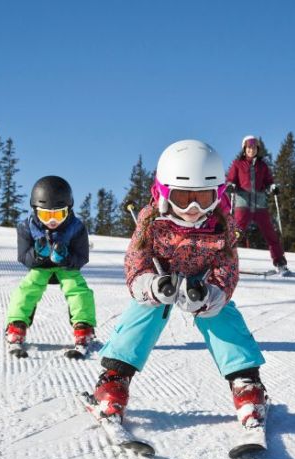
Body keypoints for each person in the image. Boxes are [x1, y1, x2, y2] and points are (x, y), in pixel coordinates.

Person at [88, 139, 268, 432]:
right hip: (161, 279)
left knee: (220, 314)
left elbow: (227, 270)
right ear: (163, 194)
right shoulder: (150, 221)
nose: (194, 209)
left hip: (201, 283)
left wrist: (212, 293)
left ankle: (245, 380)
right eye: (183, 199)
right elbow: (136, 263)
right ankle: (114, 377)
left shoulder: (223, 225)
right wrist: (151, 285)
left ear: (219, 195)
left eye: (205, 198)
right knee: (146, 308)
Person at [5, 175, 97, 353]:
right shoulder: (27, 227)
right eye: (46, 215)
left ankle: (83, 327)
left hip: (66, 267)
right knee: (28, 287)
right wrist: (37, 255)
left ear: (68, 210)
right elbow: (23, 257)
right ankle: (17, 325)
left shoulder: (77, 228)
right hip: (41, 267)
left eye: (58, 214)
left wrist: (66, 258)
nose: (52, 221)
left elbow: (82, 257)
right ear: (35, 210)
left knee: (77, 288)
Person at [226, 135, 290, 275]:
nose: (251, 150)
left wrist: (272, 186)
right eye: (249, 148)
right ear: (244, 149)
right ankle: (224, 260)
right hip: (243, 204)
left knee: (270, 234)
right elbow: (230, 179)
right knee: (236, 233)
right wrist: (230, 185)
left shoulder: (263, 165)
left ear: (257, 149)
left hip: (260, 204)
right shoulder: (238, 164)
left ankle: (279, 262)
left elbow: (269, 181)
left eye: (254, 148)